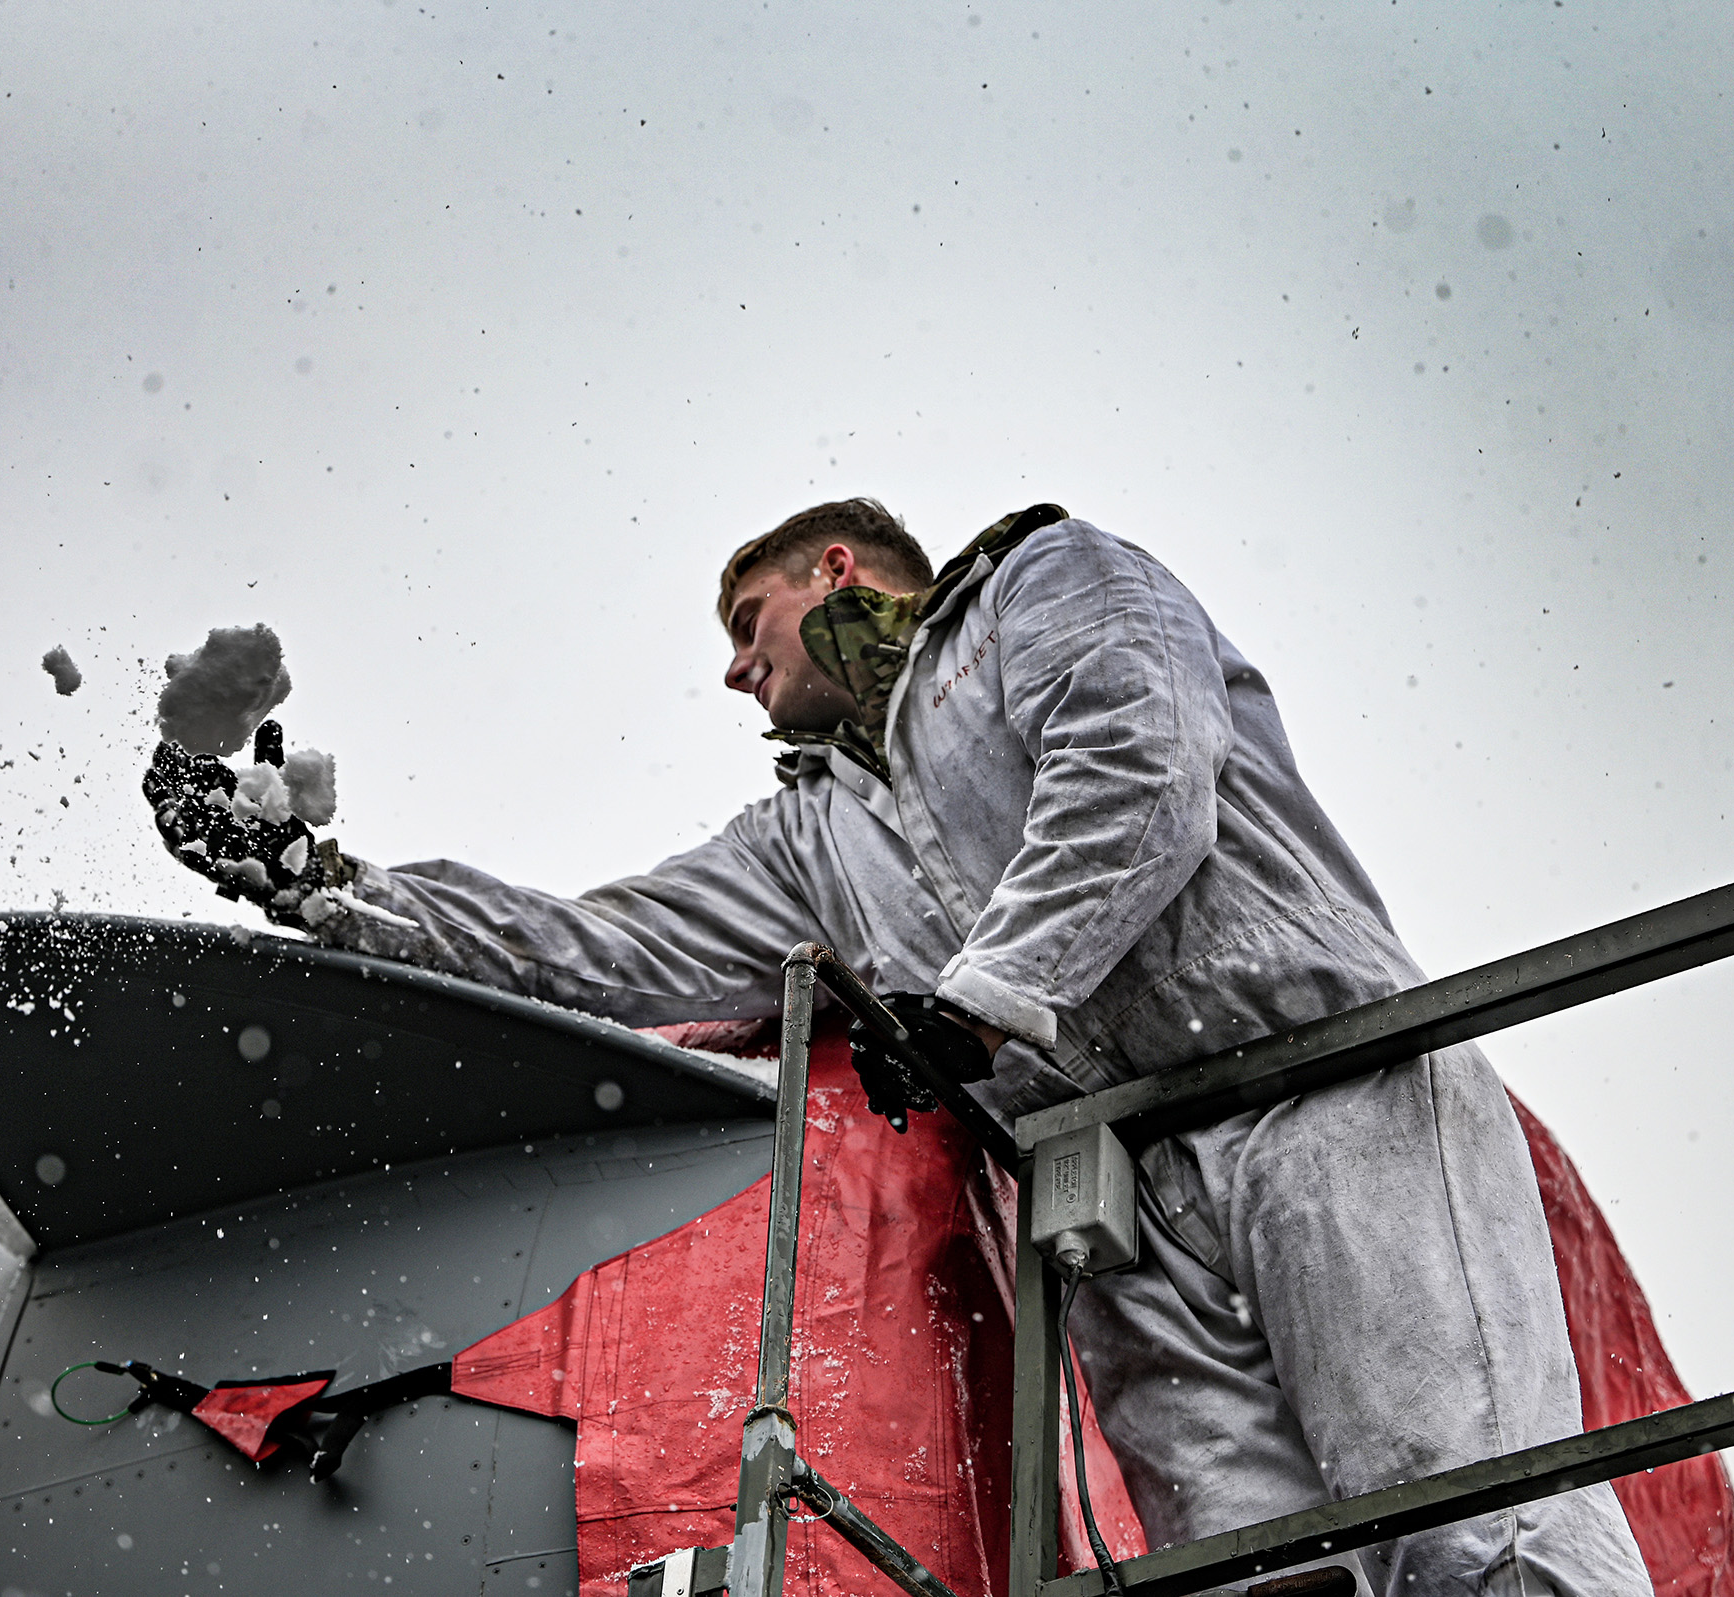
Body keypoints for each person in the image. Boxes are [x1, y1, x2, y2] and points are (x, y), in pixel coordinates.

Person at [144, 499, 1653, 1595]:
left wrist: (986, 989)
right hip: (1117, 1193)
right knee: (1250, 1568)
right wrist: (331, 896)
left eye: (751, 623)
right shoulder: (811, 840)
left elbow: (1138, 767)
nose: (739, 671)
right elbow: (599, 945)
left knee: (1468, 1510)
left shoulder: (1044, 593)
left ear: (840, 570)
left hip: (1318, 1081)